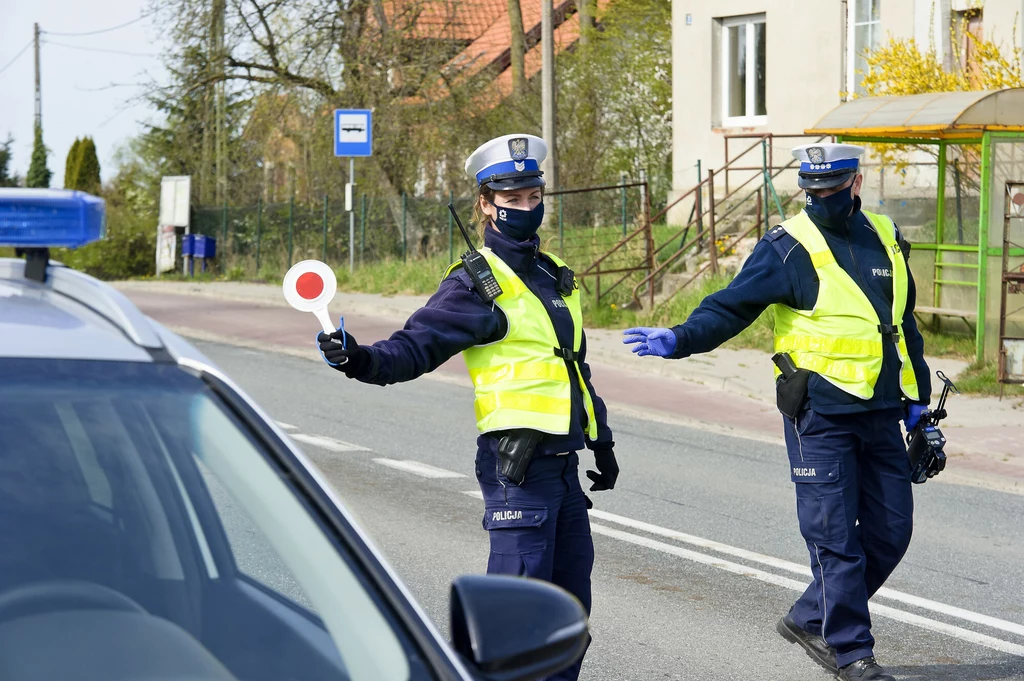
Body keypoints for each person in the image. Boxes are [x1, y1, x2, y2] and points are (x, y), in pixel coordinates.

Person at [623, 144, 931, 681]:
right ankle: (852, 651)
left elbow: (903, 325)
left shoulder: (887, 237)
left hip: (882, 411)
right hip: (821, 413)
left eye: (833, 190)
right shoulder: (788, 247)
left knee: (891, 532)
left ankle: (810, 617)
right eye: (812, 192)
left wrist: (919, 401)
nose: (822, 200)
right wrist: (679, 338)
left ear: (855, 183)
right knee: (835, 538)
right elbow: (731, 305)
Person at [316, 133, 617, 681]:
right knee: (515, 622)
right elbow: (412, 348)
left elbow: (569, 363)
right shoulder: (476, 286)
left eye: (533, 195)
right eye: (511, 197)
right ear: (484, 203)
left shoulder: (554, 275)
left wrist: (602, 438)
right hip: (518, 470)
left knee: (568, 616)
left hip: (564, 468)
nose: (525, 207)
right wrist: (358, 358)